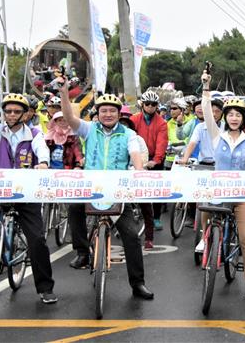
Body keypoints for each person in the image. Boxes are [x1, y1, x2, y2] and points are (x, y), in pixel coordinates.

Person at [0, 65, 57, 304]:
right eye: (8, 111)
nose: (12, 115)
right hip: (0, 191)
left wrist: (44, 164)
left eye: (17, 111)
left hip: (26, 195)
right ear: (4, 113)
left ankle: (45, 288)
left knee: (36, 240)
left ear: (26, 114)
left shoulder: (35, 133)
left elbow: (42, 150)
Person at [56, 78, 155, 300]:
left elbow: (136, 155)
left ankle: (138, 284)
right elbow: (70, 118)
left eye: (112, 111)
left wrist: (139, 172)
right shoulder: (89, 130)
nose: (108, 114)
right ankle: (82, 252)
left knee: (130, 236)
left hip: (117, 190)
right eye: (104, 111)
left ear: (119, 114)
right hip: (91, 186)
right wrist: (64, 94)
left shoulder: (129, 134)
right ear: (97, 113)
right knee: (73, 208)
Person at [200, 71, 245, 299]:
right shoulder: (217, 136)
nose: (234, 118)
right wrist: (206, 86)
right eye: (230, 114)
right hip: (218, 192)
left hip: (242, 195)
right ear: (224, 117)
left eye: (238, 115)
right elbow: (206, 112)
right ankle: (206, 241)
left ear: (244, 119)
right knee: (204, 209)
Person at [130, 91, 169, 231]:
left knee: (156, 189)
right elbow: (129, 136)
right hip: (137, 157)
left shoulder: (162, 123)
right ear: (142, 104)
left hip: (154, 158)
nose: (150, 107)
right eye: (148, 104)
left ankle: (156, 217)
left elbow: (162, 143)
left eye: (154, 104)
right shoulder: (134, 119)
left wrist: (156, 160)